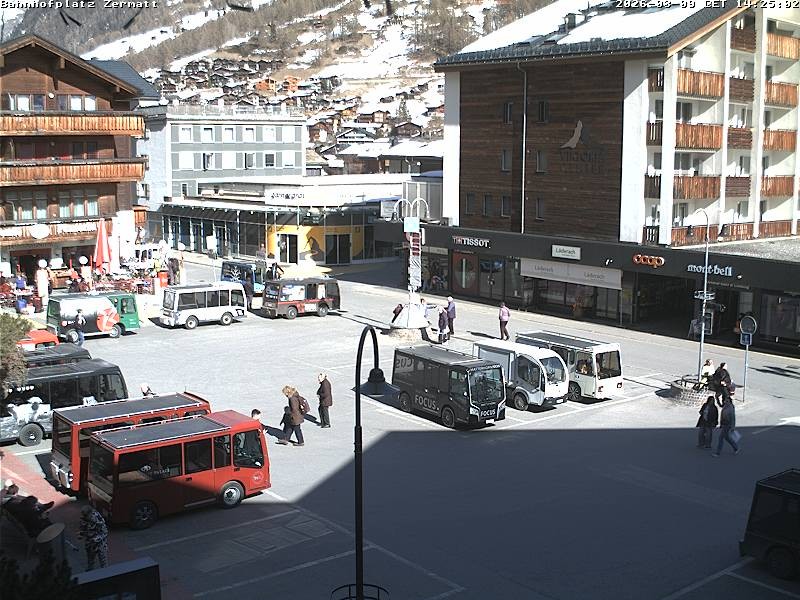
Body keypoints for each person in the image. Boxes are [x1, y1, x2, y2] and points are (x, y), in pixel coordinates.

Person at [79, 505, 109, 570]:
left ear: (91, 513)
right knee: (90, 561)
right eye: (84, 516)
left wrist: (97, 539)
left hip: (100, 543)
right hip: (90, 543)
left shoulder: (97, 518)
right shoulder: (83, 518)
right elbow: (83, 528)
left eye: (87, 516)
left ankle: (105, 574)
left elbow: (105, 532)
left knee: (103, 563)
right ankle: (90, 572)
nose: (85, 518)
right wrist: (81, 534)